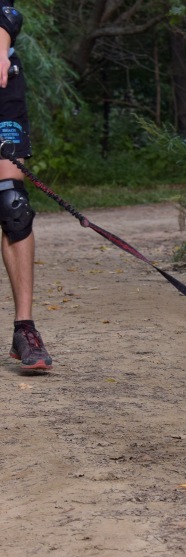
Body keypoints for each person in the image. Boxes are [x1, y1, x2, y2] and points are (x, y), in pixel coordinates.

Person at [0, 0, 51, 370]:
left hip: (2, 78)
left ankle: (25, 330)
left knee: (11, 203)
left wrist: (0, 49)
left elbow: (7, 10)